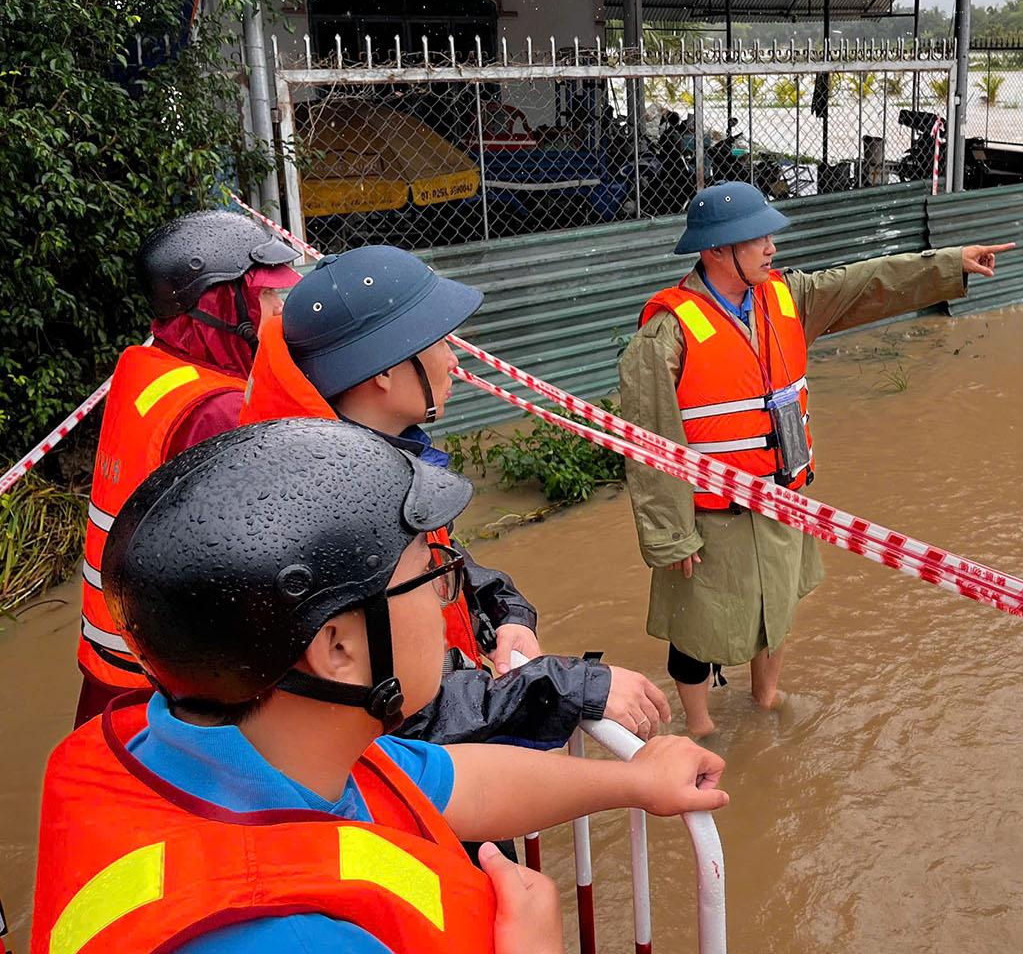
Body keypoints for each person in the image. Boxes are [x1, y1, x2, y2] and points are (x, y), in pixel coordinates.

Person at [31, 419, 727, 954]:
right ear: (337, 645)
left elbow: (461, 782)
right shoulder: (278, 936)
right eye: (431, 575)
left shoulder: (237, 744)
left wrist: (634, 782)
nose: (449, 595)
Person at [236, 244, 672, 749]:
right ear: (384, 370)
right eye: (439, 342)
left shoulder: (377, 467)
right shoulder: (333, 515)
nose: (454, 357)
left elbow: (451, 563)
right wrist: (576, 686)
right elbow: (409, 712)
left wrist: (507, 615)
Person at [620, 180, 1015, 736]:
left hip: (782, 499)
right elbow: (649, 440)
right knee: (697, 629)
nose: (771, 248)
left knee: (777, 609)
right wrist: (669, 533)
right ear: (715, 251)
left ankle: (766, 697)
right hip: (712, 517)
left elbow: (864, 283)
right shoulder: (666, 333)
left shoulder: (787, 296)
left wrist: (948, 264)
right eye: (756, 238)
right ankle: (701, 726)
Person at [75, 208, 301, 724]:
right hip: (165, 692)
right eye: (266, 296)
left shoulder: (151, 365)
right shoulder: (215, 409)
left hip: (112, 660)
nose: (277, 310)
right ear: (221, 303)